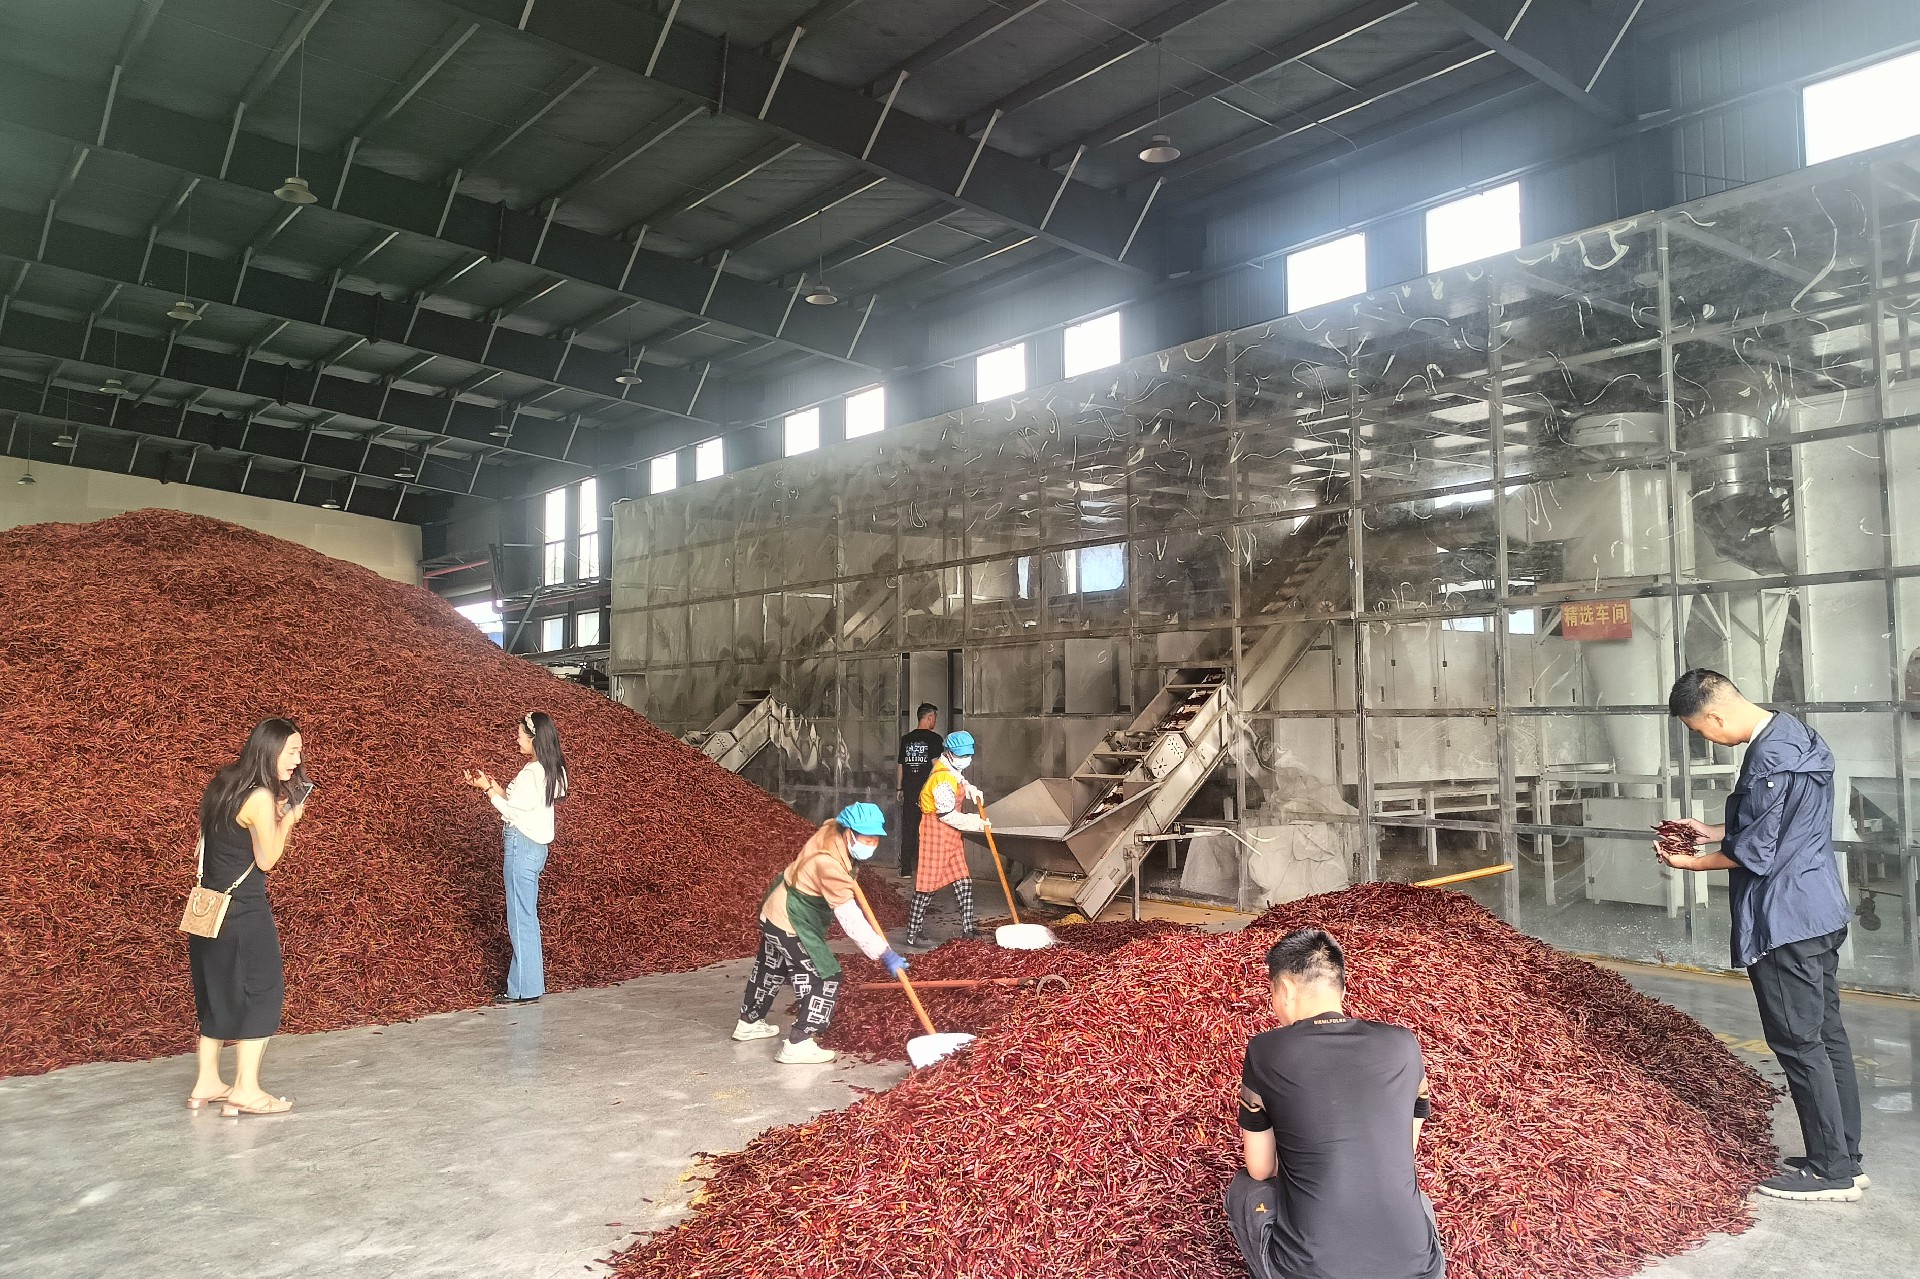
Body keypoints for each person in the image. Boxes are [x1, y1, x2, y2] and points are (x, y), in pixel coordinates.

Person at [1662, 669, 1864, 1202]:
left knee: (1798, 1043)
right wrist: (1715, 830)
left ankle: (1829, 1172)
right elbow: (1782, 822)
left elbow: (1756, 852)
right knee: (1827, 1035)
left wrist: (1692, 862)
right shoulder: (1795, 736)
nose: (1706, 739)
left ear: (1714, 716)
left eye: (1700, 731)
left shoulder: (1766, 761)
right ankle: (1845, 1156)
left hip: (1785, 920)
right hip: (1819, 907)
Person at [1227, 928, 1444, 1279]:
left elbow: (1261, 1169)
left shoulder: (1266, 1050)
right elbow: (1405, 1148)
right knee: (1415, 1196)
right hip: (1420, 1270)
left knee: (1245, 1189)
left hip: (1308, 1271)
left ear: (1285, 989)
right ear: (1340, 989)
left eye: (1272, 994)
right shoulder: (1404, 1043)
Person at [187, 717, 309, 1118]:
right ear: (270, 750)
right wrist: (287, 819)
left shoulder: (223, 783)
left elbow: (209, 845)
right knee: (262, 992)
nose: (297, 760)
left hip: (208, 911)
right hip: (243, 912)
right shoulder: (259, 796)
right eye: (291, 751)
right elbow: (267, 859)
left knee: (216, 993)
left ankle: (207, 1082)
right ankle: (246, 1091)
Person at [733, 802, 909, 1064]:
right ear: (849, 833)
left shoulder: (831, 829)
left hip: (773, 910)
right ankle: (798, 1043)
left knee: (772, 967)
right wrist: (884, 953)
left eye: (876, 838)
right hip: (789, 919)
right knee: (824, 976)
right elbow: (851, 920)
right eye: (866, 838)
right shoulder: (829, 865)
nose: (872, 844)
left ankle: (748, 1023)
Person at [465, 711, 568, 1007]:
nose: (517, 738)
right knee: (527, 916)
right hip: (537, 848)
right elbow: (520, 803)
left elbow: (511, 812)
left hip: (521, 846)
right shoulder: (554, 769)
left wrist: (487, 790)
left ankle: (522, 989)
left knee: (520, 918)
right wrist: (490, 784)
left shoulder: (531, 773)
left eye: (521, 734)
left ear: (534, 738)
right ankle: (530, 983)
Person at [905, 730, 985, 949]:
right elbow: (946, 815)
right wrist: (974, 822)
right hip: (936, 833)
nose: (965, 759)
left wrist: (969, 788)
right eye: (961, 755)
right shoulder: (941, 778)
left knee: (963, 880)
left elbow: (958, 778)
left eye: (967, 755)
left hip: (952, 836)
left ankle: (968, 929)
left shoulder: (949, 768)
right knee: (927, 885)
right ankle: (913, 933)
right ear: (949, 753)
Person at [896, 703, 944, 881]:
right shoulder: (935, 739)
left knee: (909, 829)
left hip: (909, 791)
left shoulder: (906, 739)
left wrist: (899, 788)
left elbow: (901, 766)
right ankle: (927, 869)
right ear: (929, 717)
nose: (935, 721)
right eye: (934, 718)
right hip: (928, 794)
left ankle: (906, 869)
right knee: (929, 831)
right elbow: (936, 765)